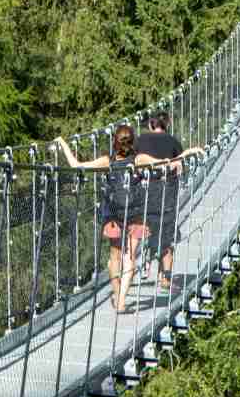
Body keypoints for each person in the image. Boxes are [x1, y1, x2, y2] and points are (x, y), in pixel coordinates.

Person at [56, 128, 202, 313]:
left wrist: (62, 143)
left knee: (114, 258)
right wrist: (186, 153)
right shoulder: (139, 159)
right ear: (133, 142)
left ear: (115, 142)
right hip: (135, 213)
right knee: (130, 258)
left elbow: (77, 165)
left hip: (113, 214)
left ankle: (117, 296)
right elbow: (167, 164)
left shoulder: (106, 161)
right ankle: (122, 301)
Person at [135, 112, 184, 292]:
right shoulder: (173, 142)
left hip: (143, 194)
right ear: (167, 124)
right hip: (166, 194)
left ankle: (133, 269)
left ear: (150, 125)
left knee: (139, 232)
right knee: (167, 237)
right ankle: (165, 278)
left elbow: (133, 165)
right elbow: (179, 168)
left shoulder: (139, 140)